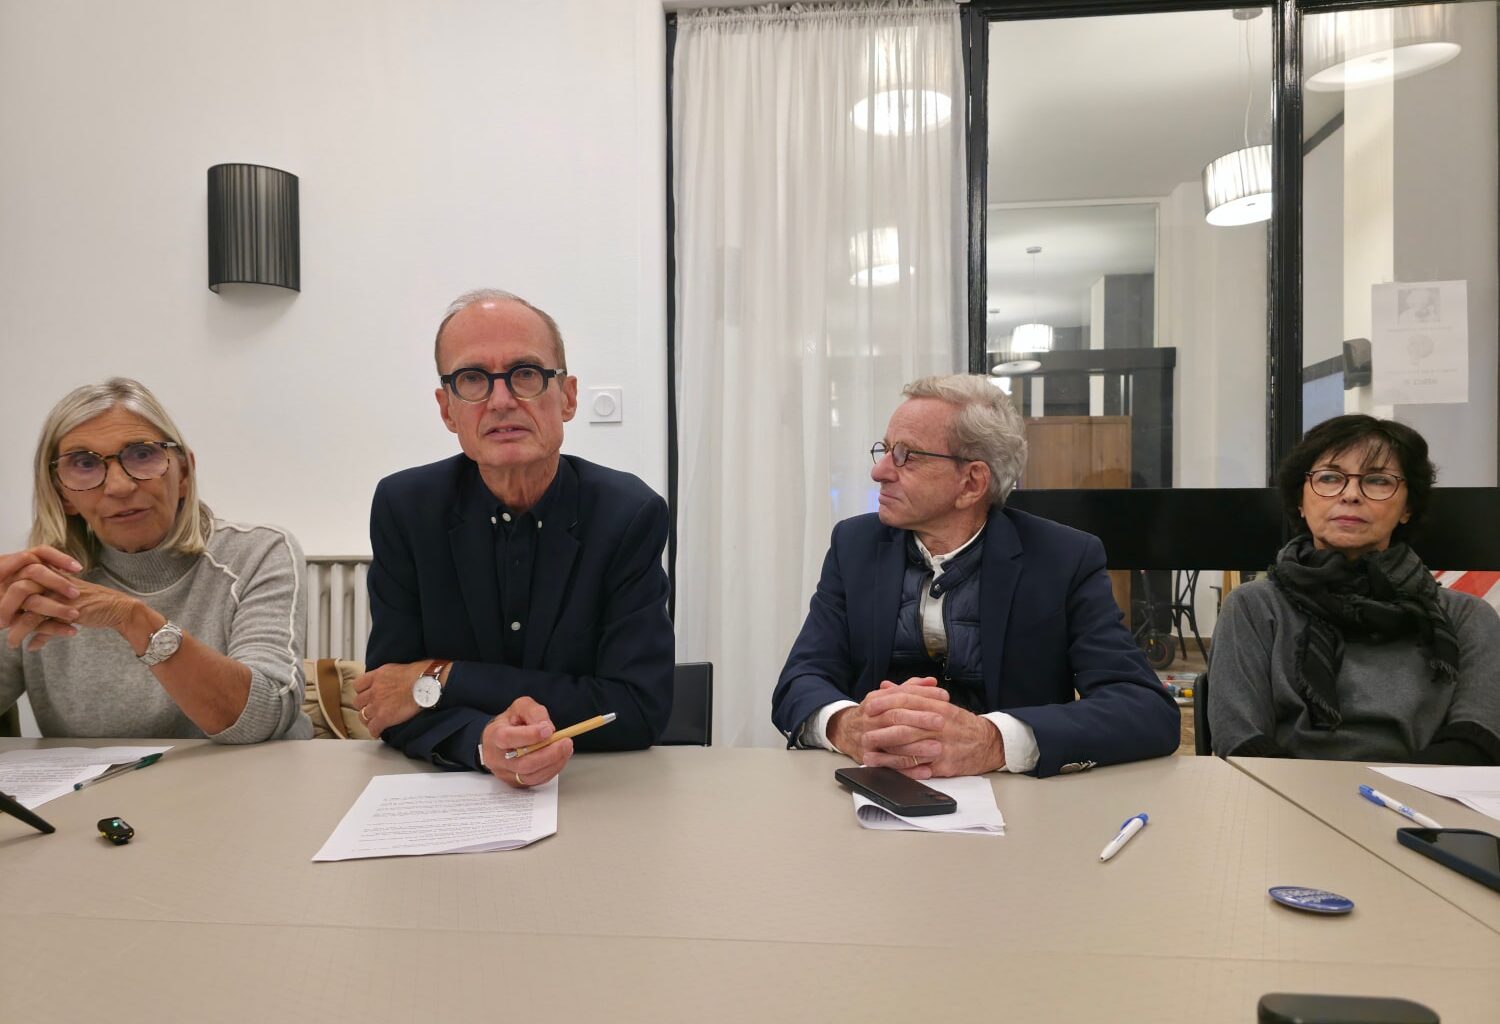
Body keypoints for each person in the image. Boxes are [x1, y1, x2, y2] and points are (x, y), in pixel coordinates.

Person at [771, 374, 1180, 779]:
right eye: (884, 449)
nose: (879, 471)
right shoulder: (854, 545)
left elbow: (1145, 709)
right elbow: (800, 681)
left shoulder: (1063, 559)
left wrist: (993, 741)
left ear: (972, 482)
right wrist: (850, 726)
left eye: (906, 455)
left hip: (1019, 808)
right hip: (872, 790)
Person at [356, 289, 673, 787]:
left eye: (525, 373)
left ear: (566, 397)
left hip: (594, 793)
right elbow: (389, 698)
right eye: (473, 379)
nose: (501, 400)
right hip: (451, 791)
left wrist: (447, 676)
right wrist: (482, 741)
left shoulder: (628, 515)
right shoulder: (405, 509)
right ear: (447, 410)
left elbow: (636, 707)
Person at [0, 378, 311, 741]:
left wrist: (131, 618)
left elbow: (262, 718)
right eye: (84, 463)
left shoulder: (257, 553)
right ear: (64, 495)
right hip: (96, 795)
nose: (118, 486)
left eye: (142, 454)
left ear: (184, 473)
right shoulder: (39, 582)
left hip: (245, 786)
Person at [1209, 415, 1500, 763]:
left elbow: (1478, 737)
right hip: (1286, 801)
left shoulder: (1467, 617)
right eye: (1329, 478)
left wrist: (1378, 798)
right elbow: (1239, 739)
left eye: (1377, 480)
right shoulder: (1254, 608)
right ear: (1301, 502)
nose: (1350, 495)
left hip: (1422, 804)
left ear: (1407, 507)